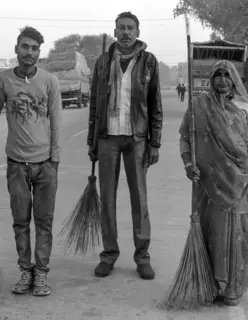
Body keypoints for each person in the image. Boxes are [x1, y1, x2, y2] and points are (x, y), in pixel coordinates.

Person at [0, 26, 61, 297]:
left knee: (44, 222)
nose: (30, 52)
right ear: (16, 49)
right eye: (25, 46)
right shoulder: (3, 80)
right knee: (21, 222)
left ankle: (42, 274)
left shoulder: (50, 81)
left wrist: (55, 159)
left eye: (35, 48)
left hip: (45, 163)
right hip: (16, 165)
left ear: (39, 52)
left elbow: (57, 121)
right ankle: (26, 271)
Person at [178, 60, 248, 306]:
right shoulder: (198, 106)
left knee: (240, 233)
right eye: (218, 75)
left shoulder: (244, 108)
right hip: (208, 183)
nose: (222, 80)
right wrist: (188, 165)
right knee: (210, 231)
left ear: (234, 79)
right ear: (211, 78)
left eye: (227, 76)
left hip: (241, 181)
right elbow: (185, 139)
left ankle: (232, 289)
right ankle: (209, 286)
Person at [87, 11, 163, 280]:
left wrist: (155, 142)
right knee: (107, 200)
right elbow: (95, 103)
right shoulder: (103, 61)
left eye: (130, 28)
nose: (126, 32)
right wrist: (91, 140)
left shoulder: (149, 62)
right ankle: (109, 254)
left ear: (138, 32)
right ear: (115, 31)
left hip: (137, 139)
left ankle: (142, 257)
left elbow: (155, 105)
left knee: (139, 200)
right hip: (107, 138)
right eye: (121, 28)